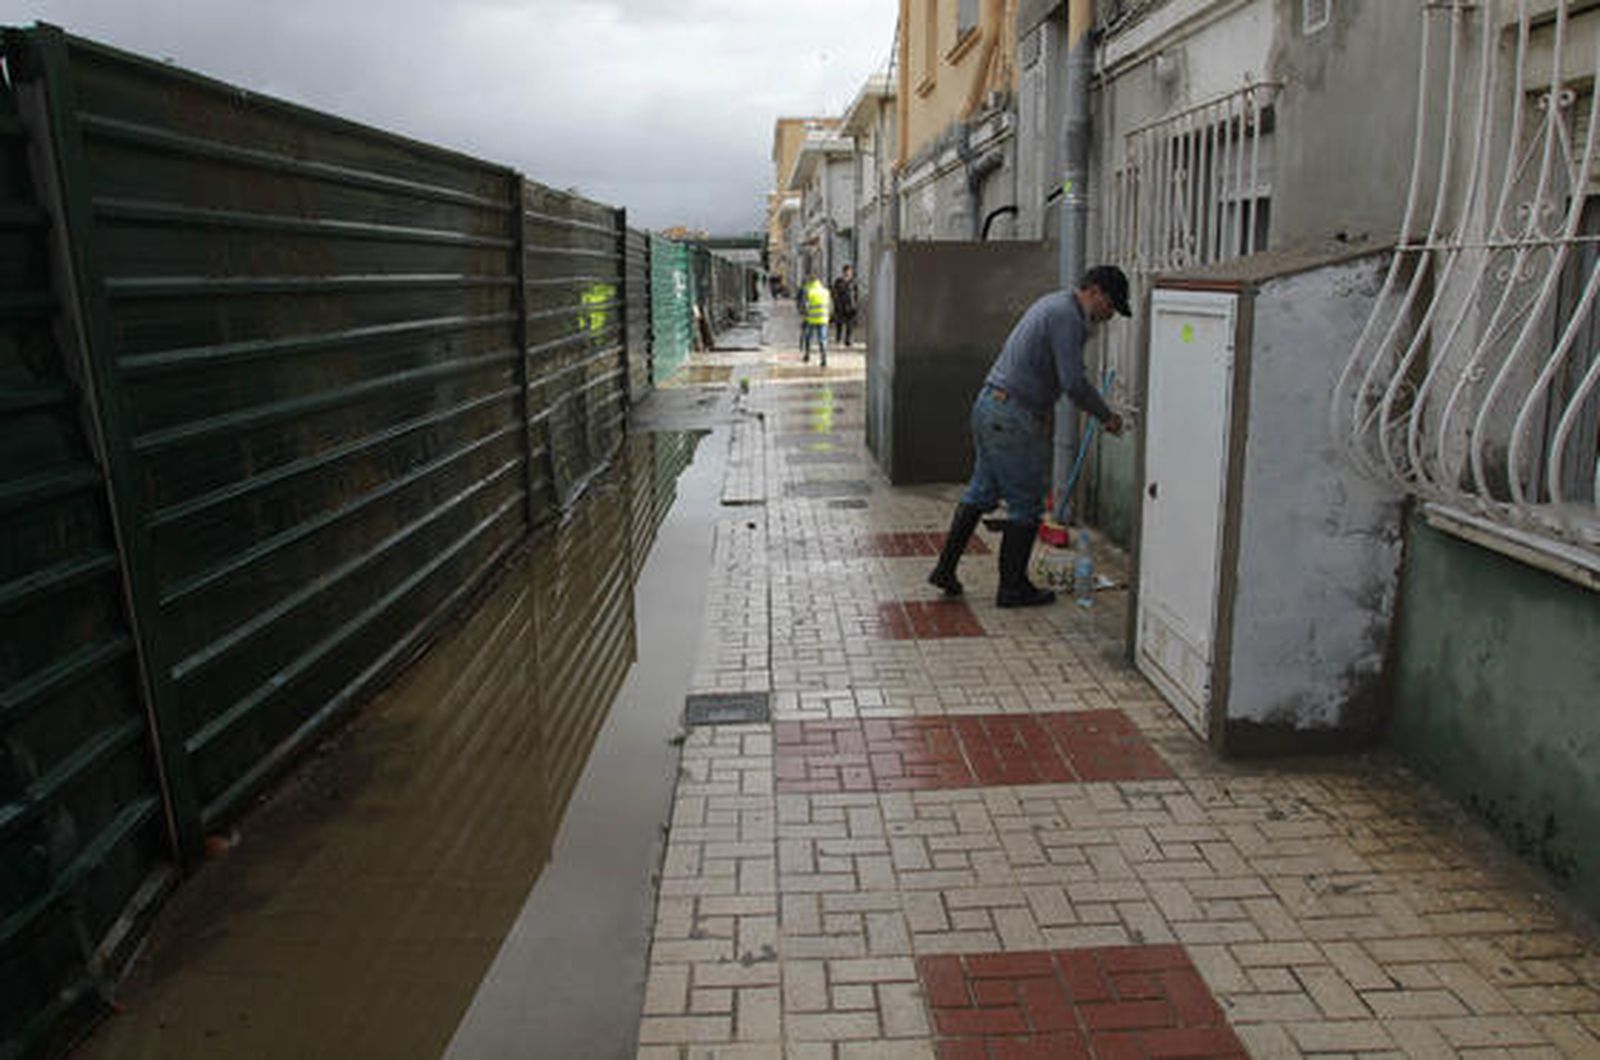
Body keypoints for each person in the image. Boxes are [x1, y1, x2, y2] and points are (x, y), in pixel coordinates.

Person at [928, 265, 1131, 608]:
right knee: (1026, 504)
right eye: (1111, 305)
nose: (1110, 315)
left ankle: (944, 570)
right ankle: (1012, 588)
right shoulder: (1068, 316)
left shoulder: (1054, 305)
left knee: (982, 491)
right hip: (1011, 415)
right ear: (1094, 291)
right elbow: (1072, 382)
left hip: (992, 405)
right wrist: (1105, 416)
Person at [801, 274, 832, 366]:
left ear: (811, 281)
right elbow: (830, 305)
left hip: (811, 319)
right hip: (823, 319)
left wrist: (805, 316)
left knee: (808, 337)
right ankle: (824, 358)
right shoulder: (826, 291)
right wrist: (828, 316)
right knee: (822, 339)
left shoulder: (808, 291)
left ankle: (807, 355)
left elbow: (805, 306)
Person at [830, 265, 858, 347]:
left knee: (850, 325)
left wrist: (855, 304)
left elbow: (856, 294)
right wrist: (836, 302)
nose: (848, 273)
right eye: (846, 271)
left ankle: (847, 340)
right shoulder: (838, 281)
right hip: (840, 306)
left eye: (849, 272)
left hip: (850, 306)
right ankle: (838, 339)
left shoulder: (853, 282)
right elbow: (834, 293)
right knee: (839, 324)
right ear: (843, 272)